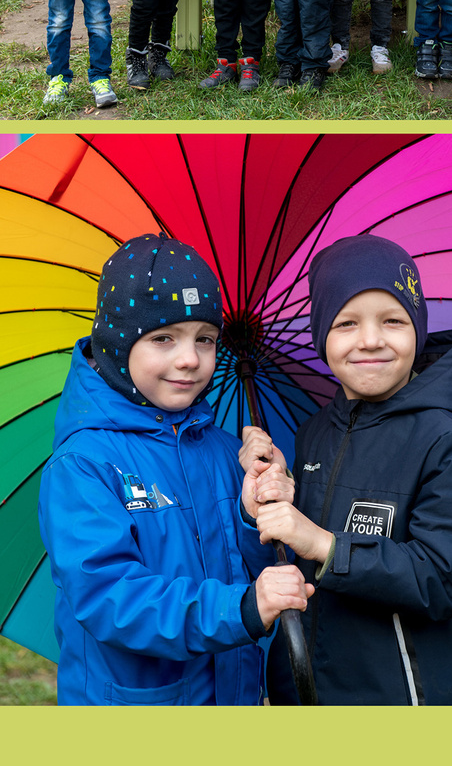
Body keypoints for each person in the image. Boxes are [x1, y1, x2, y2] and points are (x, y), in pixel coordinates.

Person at [37, 235, 310, 704]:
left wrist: (253, 516)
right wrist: (240, 609)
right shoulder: (84, 463)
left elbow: (255, 571)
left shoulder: (226, 450)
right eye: (163, 338)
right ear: (117, 346)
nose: (190, 359)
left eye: (205, 339)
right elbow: (110, 596)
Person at [243, 235, 452, 705]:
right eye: (347, 323)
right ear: (322, 335)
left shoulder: (450, 440)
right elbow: (292, 558)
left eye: (393, 320)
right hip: (308, 689)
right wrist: (274, 494)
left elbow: (444, 579)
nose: (372, 339)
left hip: (402, 697)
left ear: (417, 329)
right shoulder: (314, 431)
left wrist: (324, 545)